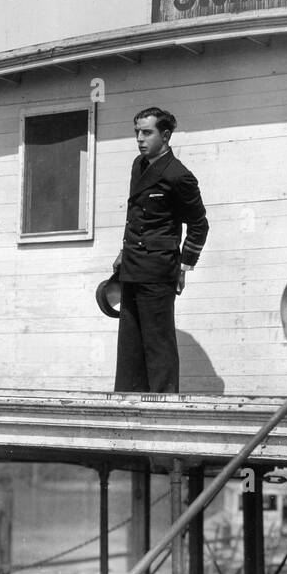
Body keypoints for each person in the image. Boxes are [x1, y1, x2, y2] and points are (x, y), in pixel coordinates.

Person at [113, 107, 209, 393]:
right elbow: (136, 216)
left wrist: (184, 266)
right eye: (137, 132)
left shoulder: (179, 175)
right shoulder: (138, 165)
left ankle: (164, 408)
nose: (140, 139)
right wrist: (123, 252)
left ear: (165, 135)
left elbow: (199, 225)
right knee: (130, 347)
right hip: (132, 266)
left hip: (158, 271)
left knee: (158, 346)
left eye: (147, 132)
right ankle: (128, 406)